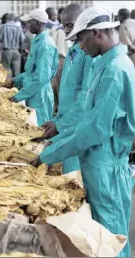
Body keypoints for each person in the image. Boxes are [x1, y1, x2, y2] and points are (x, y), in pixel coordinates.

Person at [31, 7, 135, 257]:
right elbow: (85, 111)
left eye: (80, 38)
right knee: (108, 232)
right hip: (101, 161)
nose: (78, 46)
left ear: (96, 33)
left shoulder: (114, 71)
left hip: (106, 163)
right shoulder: (107, 64)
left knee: (109, 236)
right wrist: (60, 129)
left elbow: (95, 129)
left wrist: (49, 154)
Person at [40, 3, 97, 174]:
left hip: (76, 128)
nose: (66, 30)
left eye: (70, 26)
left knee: (73, 179)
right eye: (64, 25)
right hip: (66, 123)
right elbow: (67, 94)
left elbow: (84, 99)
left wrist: (61, 125)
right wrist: (57, 120)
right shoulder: (73, 51)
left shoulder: (89, 55)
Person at [9, 9, 59, 126]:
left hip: (39, 95)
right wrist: (15, 80)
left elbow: (41, 78)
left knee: (39, 130)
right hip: (33, 93)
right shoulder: (37, 41)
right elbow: (31, 73)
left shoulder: (45, 45)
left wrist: (18, 96)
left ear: (38, 23)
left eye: (29, 22)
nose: (27, 25)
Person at [50, 7, 72, 113]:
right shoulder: (58, 29)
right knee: (60, 86)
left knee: (58, 86)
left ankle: (59, 108)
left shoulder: (58, 30)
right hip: (63, 58)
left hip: (61, 59)